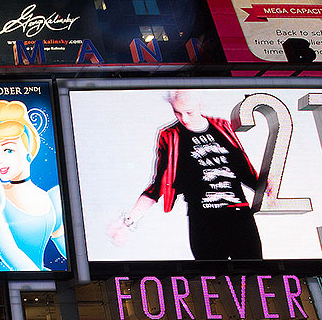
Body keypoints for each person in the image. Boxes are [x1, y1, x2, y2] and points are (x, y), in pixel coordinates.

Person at [108, 90, 265, 260]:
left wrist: (272, 191)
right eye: (177, 112)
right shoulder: (170, 136)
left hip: (239, 216)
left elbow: (245, 169)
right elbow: (159, 185)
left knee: (253, 277)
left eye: (189, 112)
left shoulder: (222, 126)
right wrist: (127, 223)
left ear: (200, 105)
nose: (184, 118)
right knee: (213, 281)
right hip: (204, 221)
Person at [0, 100, 66, 270]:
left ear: (29, 151)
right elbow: (7, 249)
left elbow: (71, 253)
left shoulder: (52, 198)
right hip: (3, 276)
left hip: (39, 277)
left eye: (8, 150)